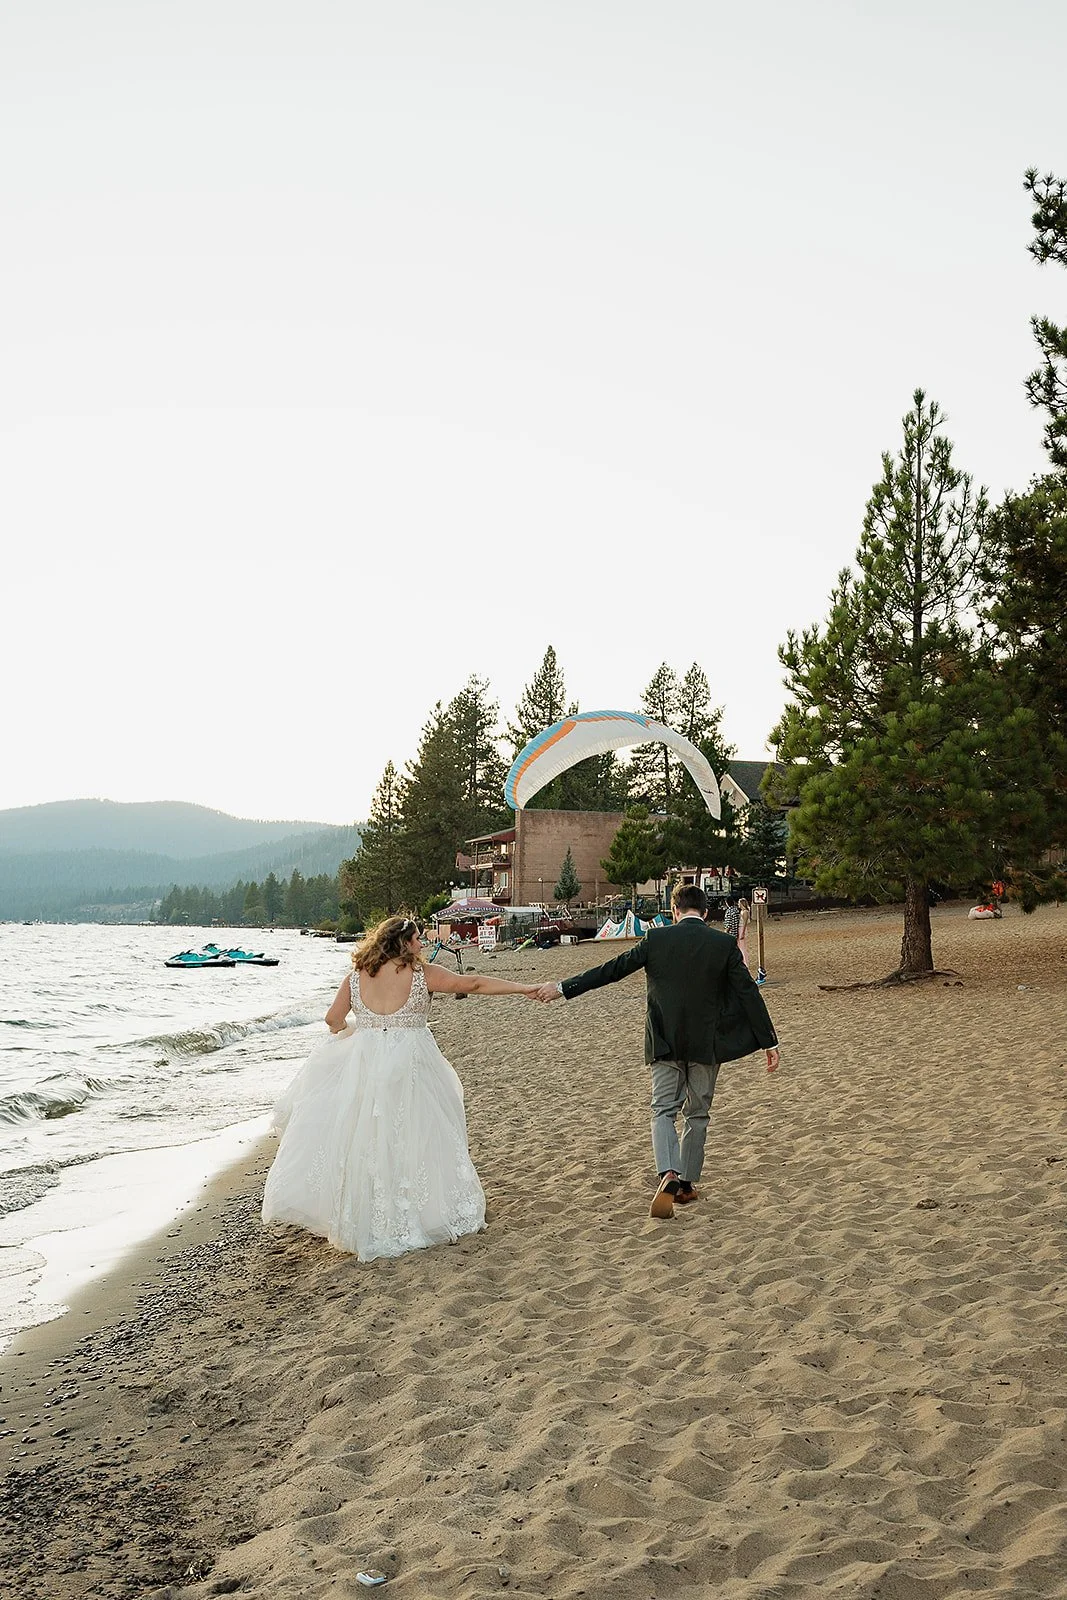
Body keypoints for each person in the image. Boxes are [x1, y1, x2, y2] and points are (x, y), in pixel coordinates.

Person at [262, 915, 538, 1261]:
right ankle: (423, 1214)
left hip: (366, 1065)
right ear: (404, 943)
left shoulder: (356, 976)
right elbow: (476, 984)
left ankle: (368, 1222)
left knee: (370, 1139)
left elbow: (333, 1019)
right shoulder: (423, 975)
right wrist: (525, 989)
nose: (422, 944)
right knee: (418, 1133)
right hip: (411, 1064)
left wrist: (354, 1036)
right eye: (418, 939)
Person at [534, 884, 779, 1218]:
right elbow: (749, 993)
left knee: (663, 1109)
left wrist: (563, 988)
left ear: (674, 910)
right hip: (707, 1044)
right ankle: (688, 1184)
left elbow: (611, 970)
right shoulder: (723, 944)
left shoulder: (656, 939)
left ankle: (668, 1173)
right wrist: (769, 1041)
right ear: (705, 913)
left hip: (664, 1040)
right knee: (697, 1113)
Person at [737, 896, 751, 967]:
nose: (738, 904)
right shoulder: (742, 911)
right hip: (741, 928)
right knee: (740, 946)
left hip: (742, 928)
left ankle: (745, 962)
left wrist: (742, 932)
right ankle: (743, 961)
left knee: (743, 947)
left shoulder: (745, 912)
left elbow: (745, 923)